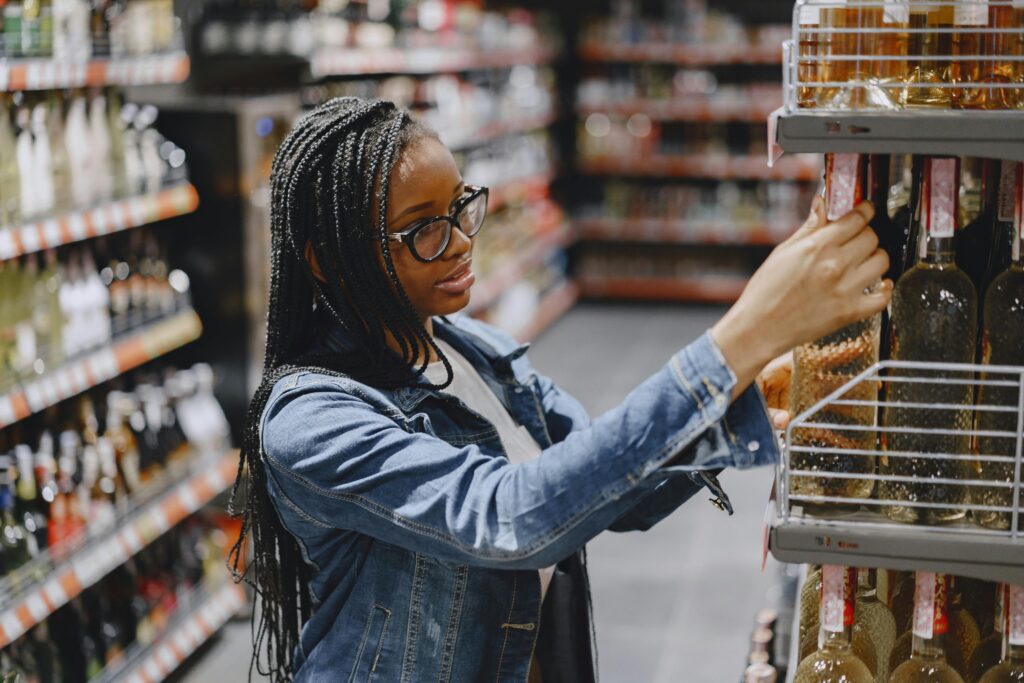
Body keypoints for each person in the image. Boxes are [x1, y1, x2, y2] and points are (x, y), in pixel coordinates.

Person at [228, 97, 892, 683]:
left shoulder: (471, 349)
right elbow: (509, 516)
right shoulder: (309, 420)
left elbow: (610, 487)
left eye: (460, 205)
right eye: (422, 228)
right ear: (325, 257)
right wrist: (739, 340)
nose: (461, 241)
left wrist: (748, 394)